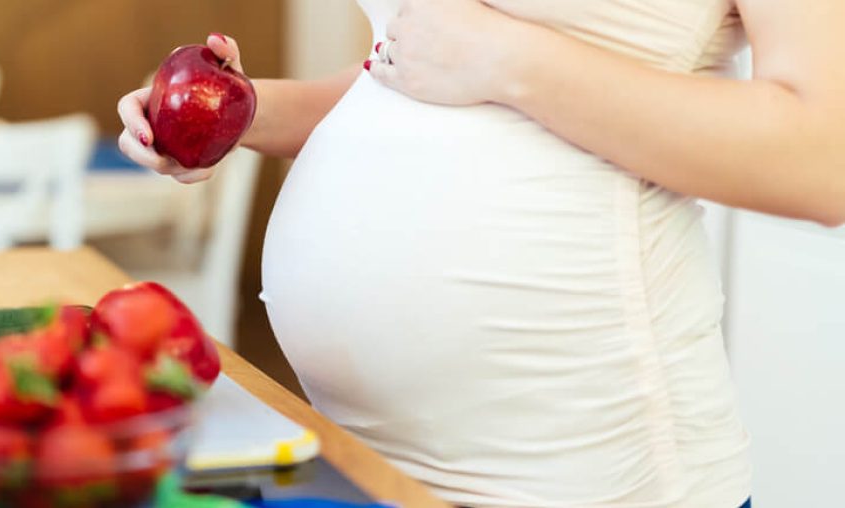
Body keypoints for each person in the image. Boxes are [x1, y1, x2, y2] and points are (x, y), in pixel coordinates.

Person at [118, 0, 843, 505]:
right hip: (368, 462)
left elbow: (823, 159)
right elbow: (413, 69)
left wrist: (507, 57)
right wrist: (240, 109)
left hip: (584, 479)